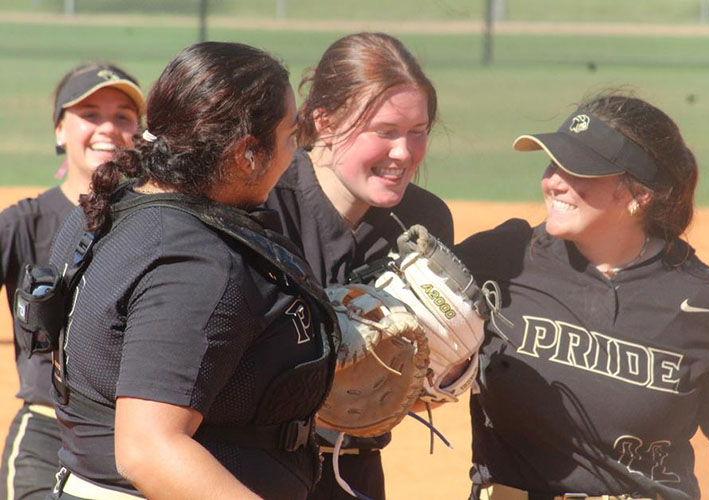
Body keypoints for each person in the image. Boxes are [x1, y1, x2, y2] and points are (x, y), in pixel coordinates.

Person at [44, 41, 337, 499]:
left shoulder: (112, 207)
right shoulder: (197, 263)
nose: (294, 152)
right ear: (246, 153)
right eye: (288, 136)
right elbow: (149, 449)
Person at [456, 93, 709, 500]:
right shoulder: (501, 259)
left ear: (638, 195)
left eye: (579, 171)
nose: (554, 181)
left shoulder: (705, 303)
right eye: (553, 163)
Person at [265, 32, 453, 500]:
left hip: (357, 475)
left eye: (418, 131)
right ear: (324, 123)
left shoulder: (423, 223)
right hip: (255, 468)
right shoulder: (264, 203)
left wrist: (436, 372)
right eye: (385, 131)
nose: (405, 154)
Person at [0, 62, 144, 500]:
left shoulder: (157, 224)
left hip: (136, 444)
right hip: (48, 434)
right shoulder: (27, 221)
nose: (108, 128)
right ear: (60, 131)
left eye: (123, 116)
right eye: (90, 114)